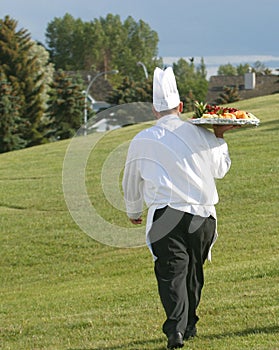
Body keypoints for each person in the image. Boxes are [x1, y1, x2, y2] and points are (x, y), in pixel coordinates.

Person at [122, 67, 236, 349]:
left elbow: (131, 178)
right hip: (201, 214)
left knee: (172, 272)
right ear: (181, 106)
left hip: (165, 214)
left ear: (154, 110)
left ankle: (176, 329)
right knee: (194, 271)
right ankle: (190, 324)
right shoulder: (200, 132)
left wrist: (134, 211)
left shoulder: (142, 140)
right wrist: (220, 136)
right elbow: (220, 170)